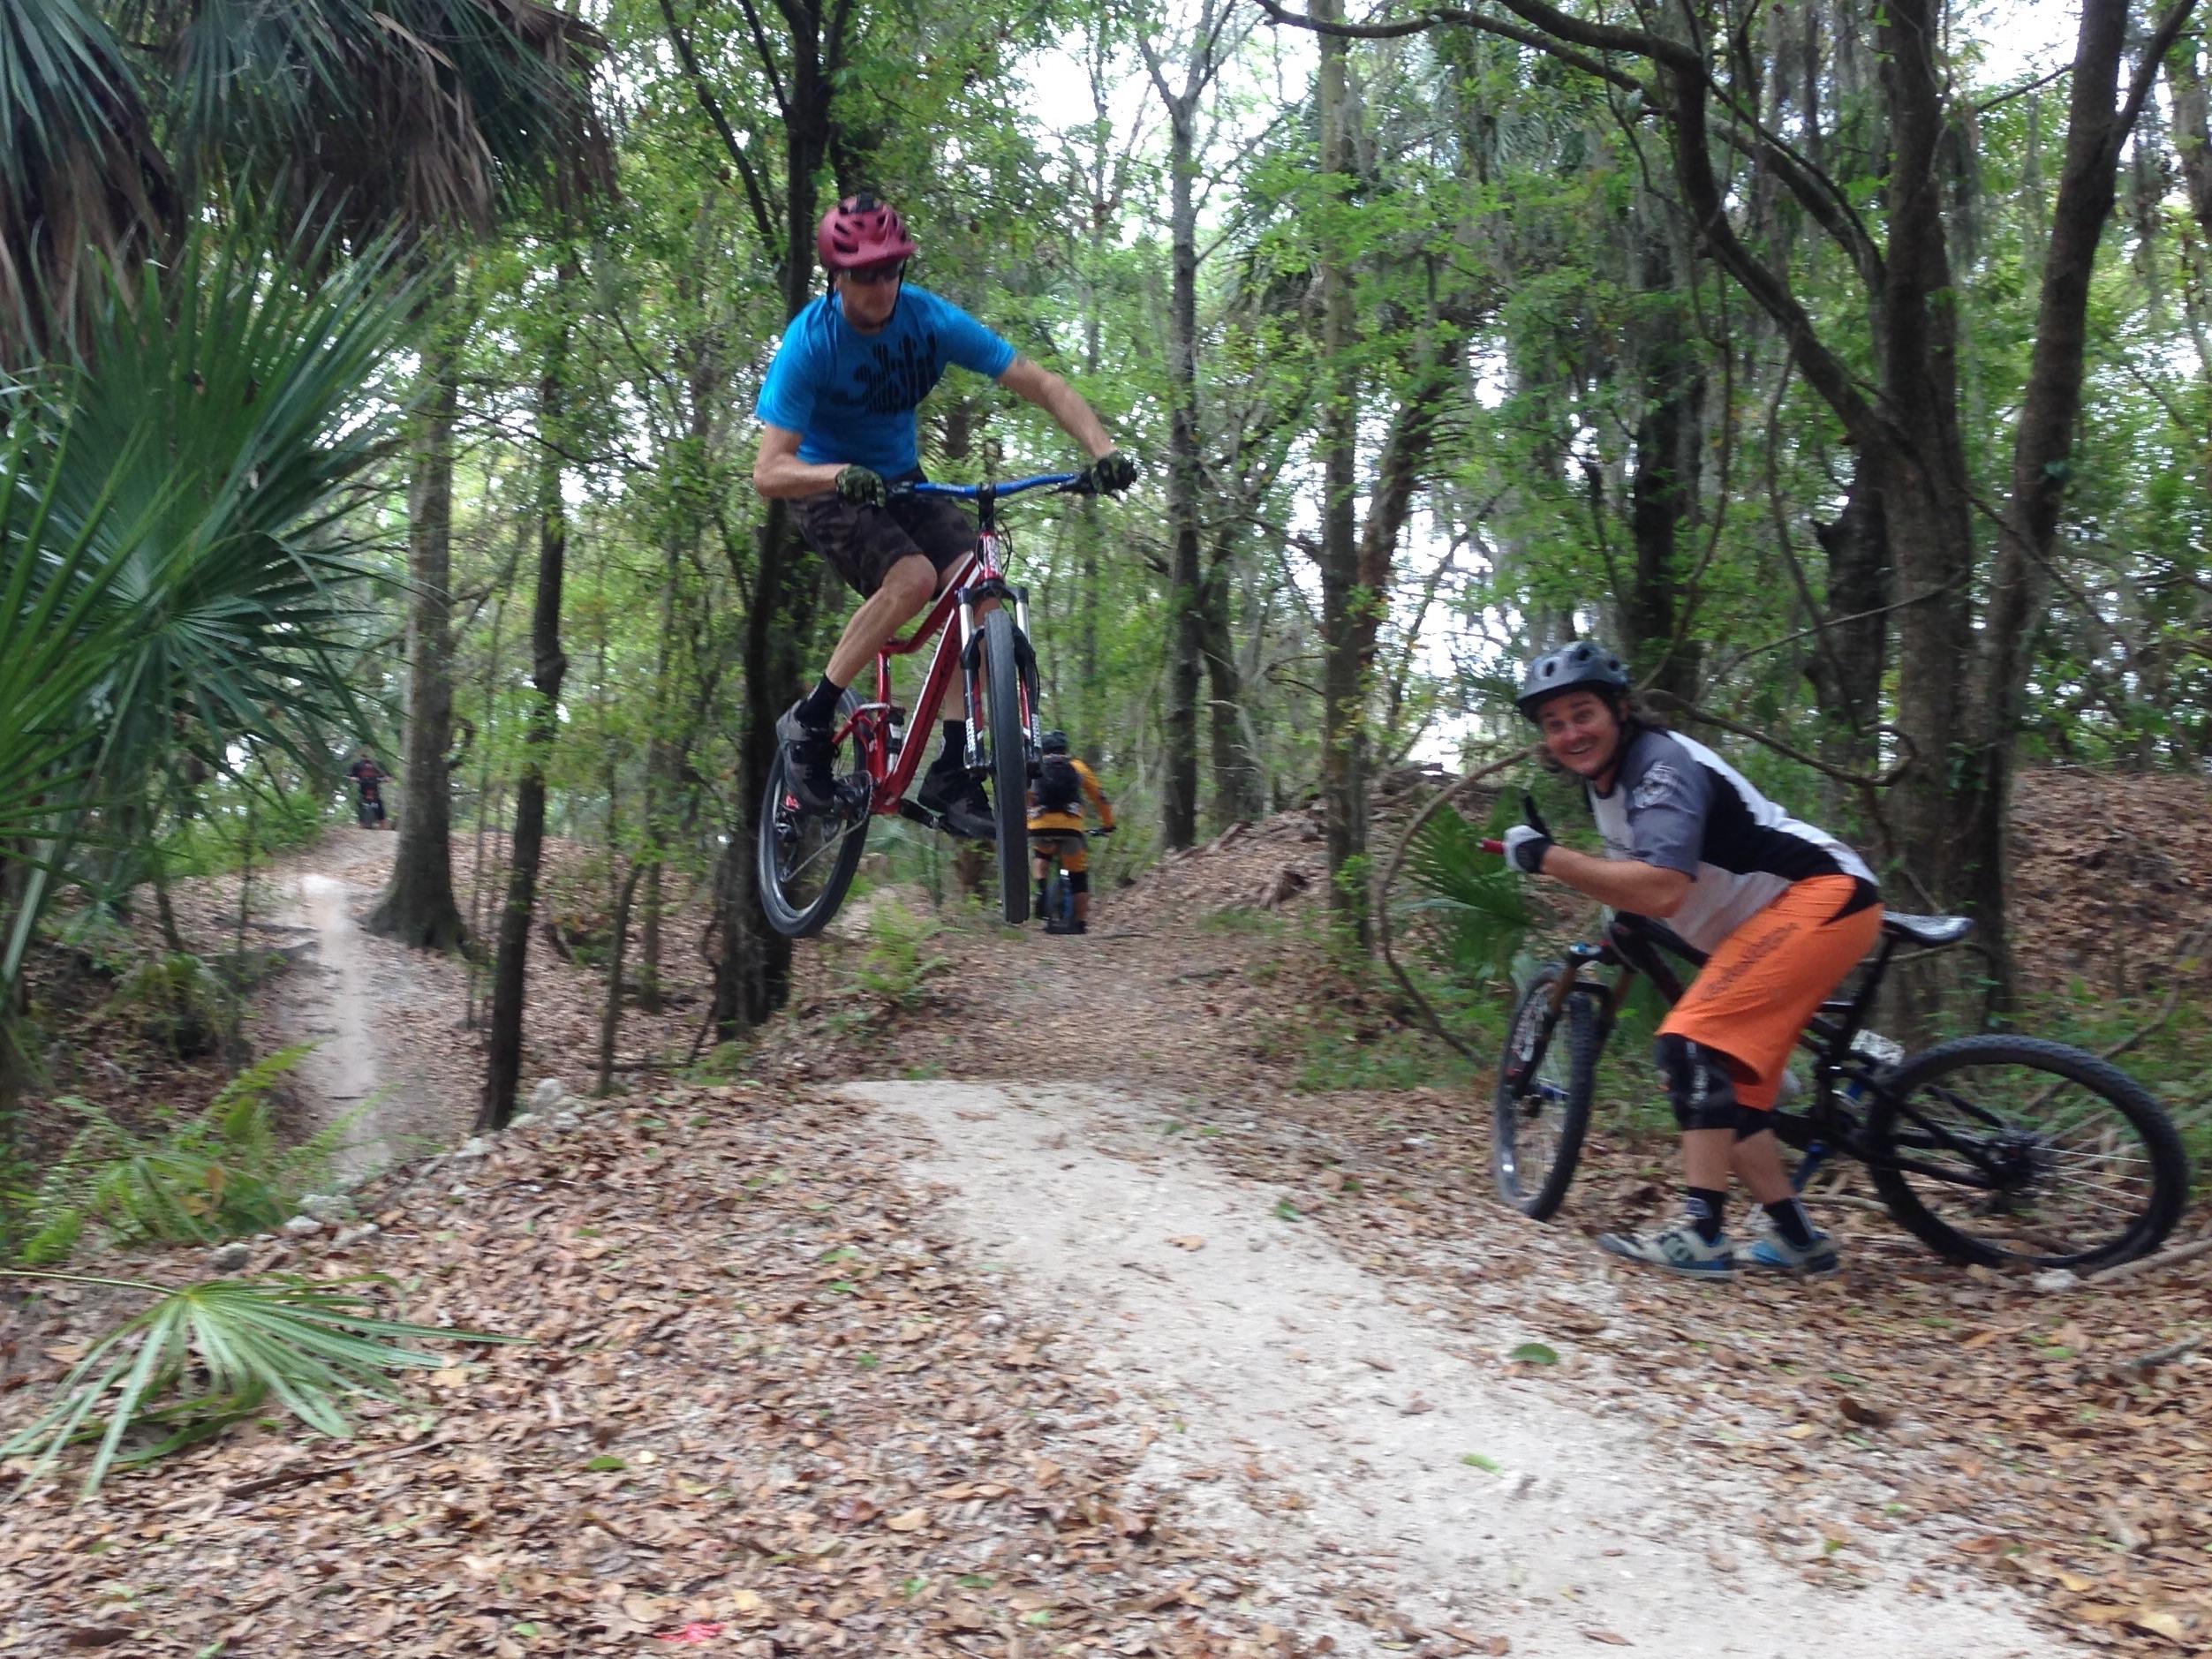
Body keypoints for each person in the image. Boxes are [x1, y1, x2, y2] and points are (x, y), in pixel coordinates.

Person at [752, 193, 1136, 839]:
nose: (880, 286)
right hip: (820, 482)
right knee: (912, 580)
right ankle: (812, 719)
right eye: (864, 274)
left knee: (979, 595)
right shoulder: (810, 345)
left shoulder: (928, 321)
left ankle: (954, 767)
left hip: (902, 481)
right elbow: (768, 471)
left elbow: (1039, 381)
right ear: (836, 278)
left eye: (890, 270)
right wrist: (838, 474)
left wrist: (1103, 451)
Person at [1501, 640, 1883, 1278]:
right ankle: (1796, 1237)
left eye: (1582, 712)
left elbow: (1662, 887)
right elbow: (1645, 876)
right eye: (1554, 722)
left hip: (1820, 896)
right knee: (1727, 1091)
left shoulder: (1659, 765)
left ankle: (1702, 1233)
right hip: (1774, 919)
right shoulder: (1610, 782)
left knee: (1689, 1047)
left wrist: (1548, 858)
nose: (1570, 732)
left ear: (1620, 709)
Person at [1027, 731, 1114, 932]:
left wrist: (1028, 821)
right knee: (1078, 876)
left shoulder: (1033, 767)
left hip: (1040, 825)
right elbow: (1100, 797)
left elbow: (1024, 796)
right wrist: (1108, 823)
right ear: (1065, 749)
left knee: (1041, 855)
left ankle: (1042, 890)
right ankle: (1081, 923)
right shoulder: (1078, 767)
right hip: (1071, 827)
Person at [346, 749, 388, 828]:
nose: (367, 752)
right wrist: (353, 779)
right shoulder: (357, 764)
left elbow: (388, 776)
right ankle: (361, 827)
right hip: (363, 790)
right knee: (361, 806)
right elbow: (349, 776)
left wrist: (385, 779)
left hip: (375, 790)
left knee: (380, 809)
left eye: (369, 750)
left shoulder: (378, 764)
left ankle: (384, 830)